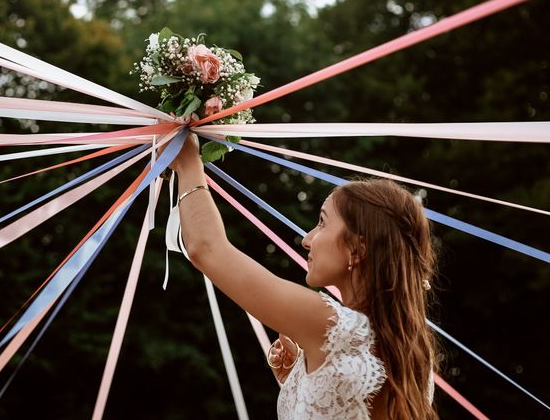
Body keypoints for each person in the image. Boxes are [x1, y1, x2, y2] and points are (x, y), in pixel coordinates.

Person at [167, 133, 438, 419]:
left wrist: (188, 162)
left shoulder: (332, 324)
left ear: (358, 248)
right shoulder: (412, 348)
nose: (307, 240)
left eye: (322, 223)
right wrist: (308, 385)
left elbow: (207, 249)